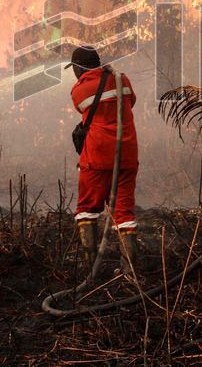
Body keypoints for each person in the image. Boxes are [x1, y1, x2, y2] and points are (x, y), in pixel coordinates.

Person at [66, 45, 139, 275]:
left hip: (96, 157)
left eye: (74, 69)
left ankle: (90, 269)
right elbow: (130, 102)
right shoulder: (122, 80)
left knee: (87, 208)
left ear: (79, 69)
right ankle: (129, 272)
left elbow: (82, 109)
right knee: (124, 211)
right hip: (126, 153)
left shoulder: (79, 90)